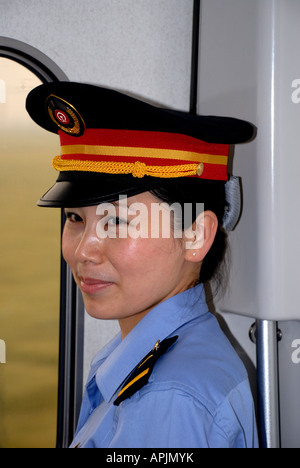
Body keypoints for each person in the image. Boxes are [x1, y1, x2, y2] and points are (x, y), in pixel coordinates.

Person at [26, 82, 258, 448]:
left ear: (195, 236)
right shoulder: (150, 356)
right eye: (74, 218)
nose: (83, 251)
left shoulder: (168, 397)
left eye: (116, 222)